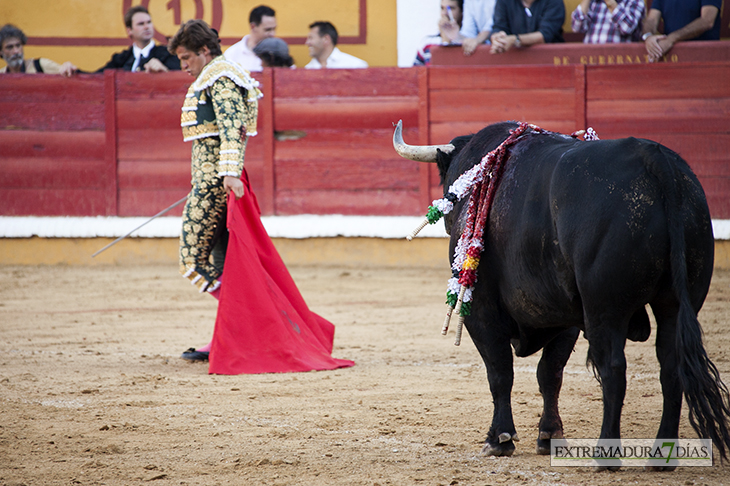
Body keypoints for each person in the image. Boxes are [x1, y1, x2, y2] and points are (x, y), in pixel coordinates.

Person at [169, 19, 353, 374]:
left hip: (215, 185)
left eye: (186, 57)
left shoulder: (221, 76)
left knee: (193, 261)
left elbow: (231, 130)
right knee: (223, 263)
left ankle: (254, 324)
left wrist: (228, 174)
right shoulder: (218, 75)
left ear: (204, 51)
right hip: (211, 182)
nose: (183, 65)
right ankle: (231, 333)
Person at [96, 5, 180, 72]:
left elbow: (180, 80)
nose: (147, 27)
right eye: (141, 24)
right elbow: (95, 78)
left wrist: (164, 71)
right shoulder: (120, 59)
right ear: (129, 30)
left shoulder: (168, 54)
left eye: (149, 22)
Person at [642, 0, 722, 62]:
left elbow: (707, 21)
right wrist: (648, 37)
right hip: (671, 57)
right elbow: (652, 19)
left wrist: (672, 38)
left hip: (703, 59)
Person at [489, 0, 565, 53]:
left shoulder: (554, 1)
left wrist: (515, 39)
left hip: (549, 59)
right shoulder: (504, 1)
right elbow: (499, 27)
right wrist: (498, 37)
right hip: (513, 60)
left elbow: (545, 35)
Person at [0, 24, 77, 76]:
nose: (16, 51)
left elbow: (67, 73)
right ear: (1, 52)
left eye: (18, 45)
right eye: (9, 47)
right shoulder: (1, 75)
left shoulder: (41, 65)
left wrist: (67, 67)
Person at [224, 5, 277, 72]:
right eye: (268, 30)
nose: (272, 34)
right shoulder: (232, 54)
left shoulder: (278, 53)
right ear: (253, 27)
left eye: (274, 29)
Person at [414, 0, 465, 66]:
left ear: (461, 12)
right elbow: (415, 73)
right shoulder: (427, 42)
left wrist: (450, 40)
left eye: (451, 8)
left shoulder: (466, 41)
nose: (445, 13)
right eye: (442, 8)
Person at [571, 0, 645, 43]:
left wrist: (610, 3)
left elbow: (627, 28)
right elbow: (576, 27)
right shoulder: (594, 2)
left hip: (619, 61)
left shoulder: (634, 1)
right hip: (591, 60)